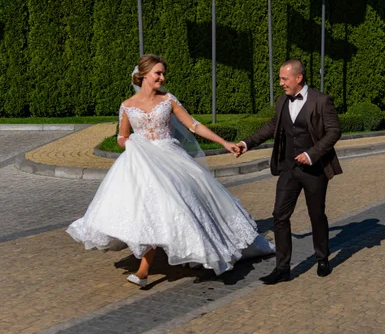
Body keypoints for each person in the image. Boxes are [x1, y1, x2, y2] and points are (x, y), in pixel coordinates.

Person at [67, 54, 274, 288]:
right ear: (144, 74)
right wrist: (131, 143)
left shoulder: (168, 99)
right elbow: (121, 137)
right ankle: (146, 267)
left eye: (163, 73)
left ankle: (152, 267)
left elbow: (193, 125)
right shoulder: (127, 106)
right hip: (140, 162)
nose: (162, 77)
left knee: (171, 206)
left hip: (170, 159)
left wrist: (224, 143)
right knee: (147, 210)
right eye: (158, 73)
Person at [236, 59, 342, 285]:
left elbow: (334, 131)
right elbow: (271, 127)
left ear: (298, 78)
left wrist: (312, 154)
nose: (281, 83)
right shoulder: (282, 101)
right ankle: (282, 268)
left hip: (314, 170)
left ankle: (322, 258)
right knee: (279, 216)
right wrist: (246, 143)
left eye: (284, 78)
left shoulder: (321, 101)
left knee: (317, 215)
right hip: (288, 168)